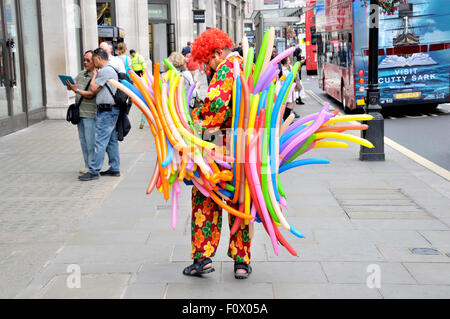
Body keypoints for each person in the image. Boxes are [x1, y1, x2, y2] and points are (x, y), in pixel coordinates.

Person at [183, 28, 252, 280]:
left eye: (207, 60)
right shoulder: (243, 64)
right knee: (240, 200)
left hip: (221, 144)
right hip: (245, 143)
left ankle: (202, 258)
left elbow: (215, 108)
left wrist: (193, 120)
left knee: (205, 198)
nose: (207, 66)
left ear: (216, 52)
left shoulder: (226, 67)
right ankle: (241, 261)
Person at [67, 48, 121, 181]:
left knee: (100, 141)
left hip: (107, 111)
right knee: (111, 141)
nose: (90, 62)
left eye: (92, 60)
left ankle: (94, 170)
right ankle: (114, 168)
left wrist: (95, 76)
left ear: (98, 58)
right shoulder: (109, 69)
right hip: (110, 110)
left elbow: (93, 89)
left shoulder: (105, 71)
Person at [69, 50, 97, 175]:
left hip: (90, 113)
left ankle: (92, 166)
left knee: (91, 141)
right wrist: (70, 86)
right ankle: (87, 164)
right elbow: (74, 87)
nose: (85, 62)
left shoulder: (96, 75)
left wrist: (77, 90)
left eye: (88, 60)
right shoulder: (80, 74)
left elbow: (91, 94)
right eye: (84, 59)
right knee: (83, 140)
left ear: (94, 62)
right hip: (80, 113)